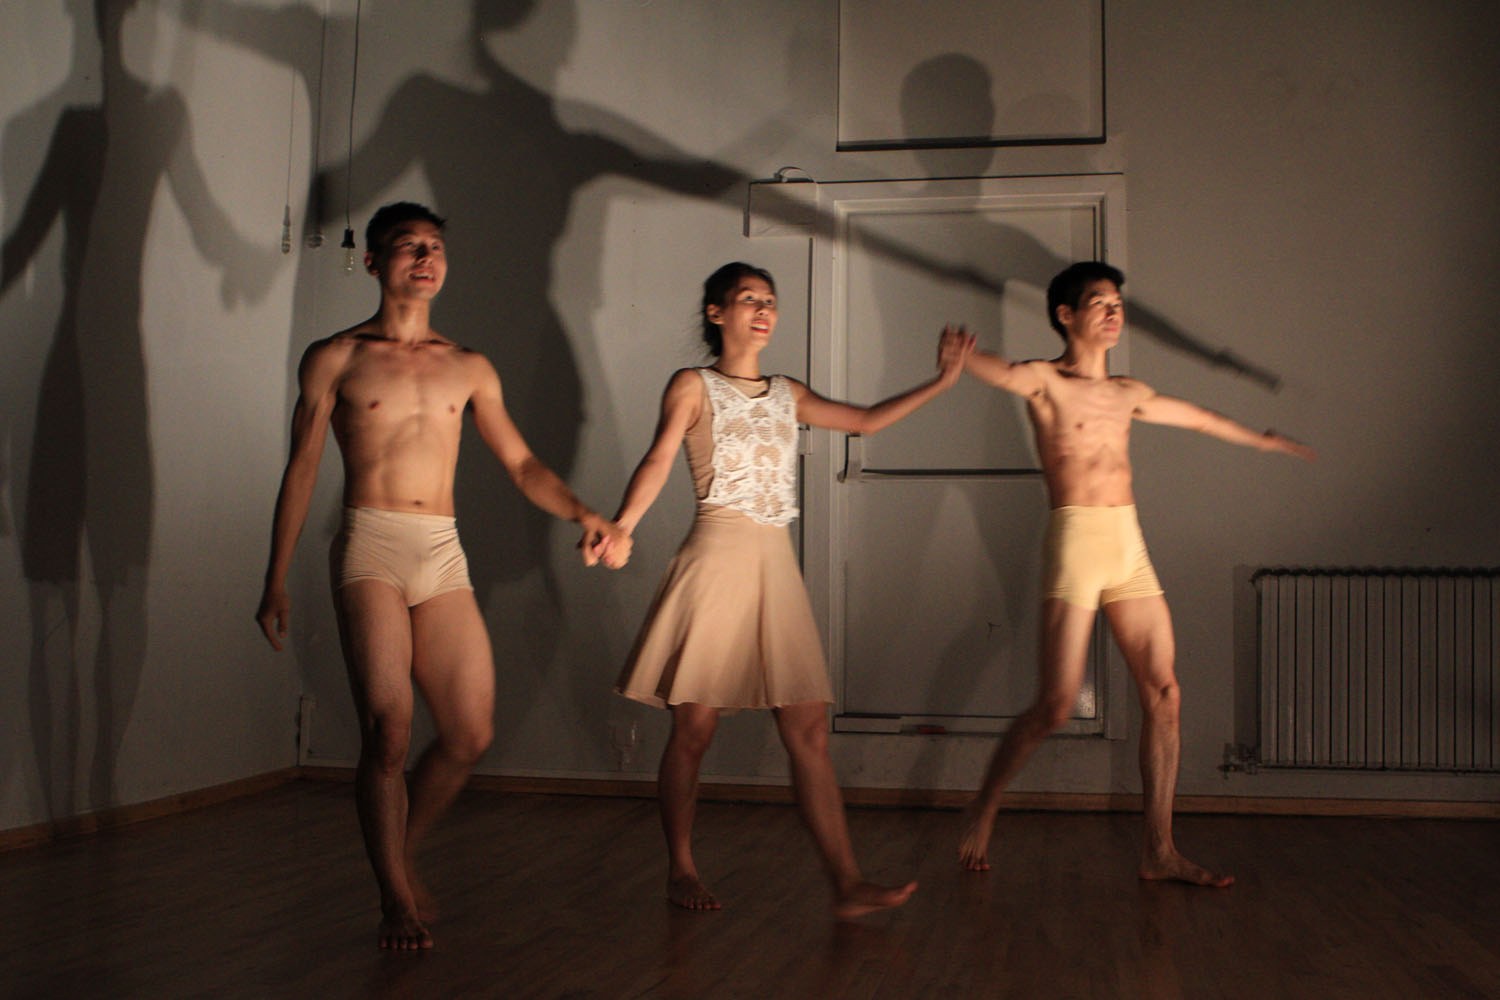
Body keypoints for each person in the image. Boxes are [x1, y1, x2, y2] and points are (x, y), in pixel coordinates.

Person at [254, 202, 629, 950]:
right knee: (388, 731)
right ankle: (394, 898)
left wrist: (585, 513)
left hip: (442, 551)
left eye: (435, 247)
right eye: (408, 247)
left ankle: (402, 849)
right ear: (374, 262)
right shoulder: (336, 357)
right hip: (371, 545)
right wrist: (275, 580)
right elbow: (302, 468)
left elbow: (521, 463)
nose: (426, 258)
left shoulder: (468, 366)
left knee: (468, 732)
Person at [608, 262, 973, 918]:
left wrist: (943, 382)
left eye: (770, 301)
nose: (763, 310)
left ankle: (847, 883)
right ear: (717, 312)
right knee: (694, 727)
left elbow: (866, 421)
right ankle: (681, 867)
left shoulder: (787, 392)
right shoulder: (693, 385)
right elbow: (660, 456)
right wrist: (623, 526)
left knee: (808, 728)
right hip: (716, 560)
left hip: (775, 568)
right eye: (749, 299)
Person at [956, 261, 1315, 886]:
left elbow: (1198, 417)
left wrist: (1258, 440)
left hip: (1128, 547)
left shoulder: (1129, 392)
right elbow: (1000, 372)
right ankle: (984, 806)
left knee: (1165, 693)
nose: (1114, 311)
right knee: (1056, 706)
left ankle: (1159, 849)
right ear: (1066, 315)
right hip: (1076, 544)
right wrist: (964, 357)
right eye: (1100, 302)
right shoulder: (1045, 380)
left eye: (1118, 303)